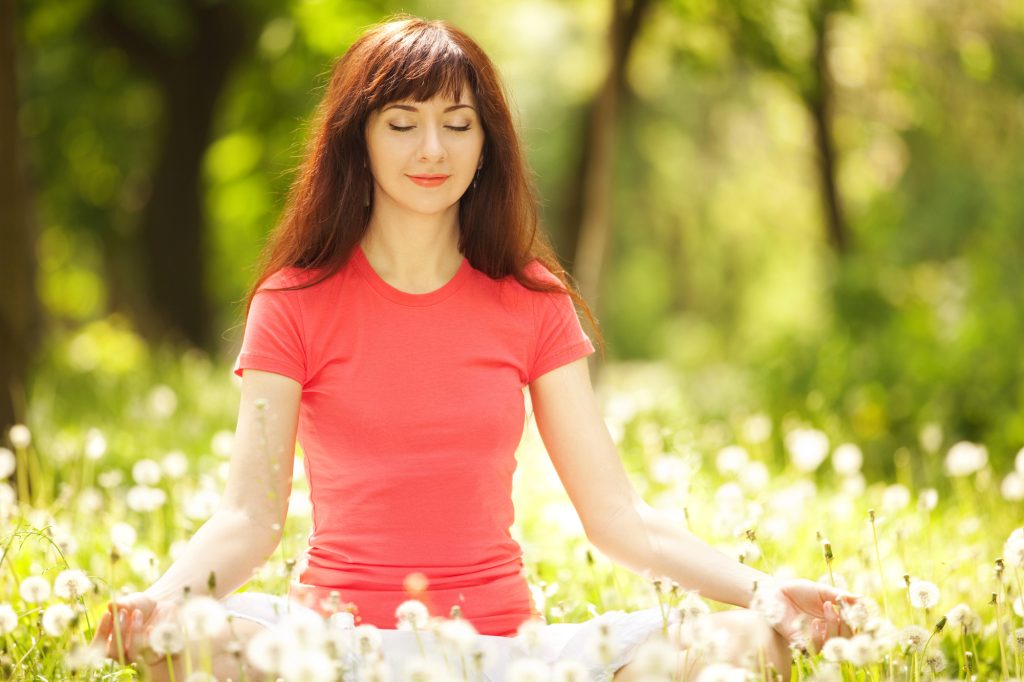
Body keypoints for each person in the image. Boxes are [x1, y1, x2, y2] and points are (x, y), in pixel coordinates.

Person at [92, 15, 855, 681]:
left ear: (488, 143)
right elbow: (248, 519)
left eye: (458, 124)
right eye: (402, 123)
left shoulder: (532, 299)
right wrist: (159, 601)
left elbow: (617, 516)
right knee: (182, 641)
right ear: (357, 139)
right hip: (332, 652)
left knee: (752, 642)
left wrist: (762, 591)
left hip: (504, 656)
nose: (433, 148)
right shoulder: (292, 301)